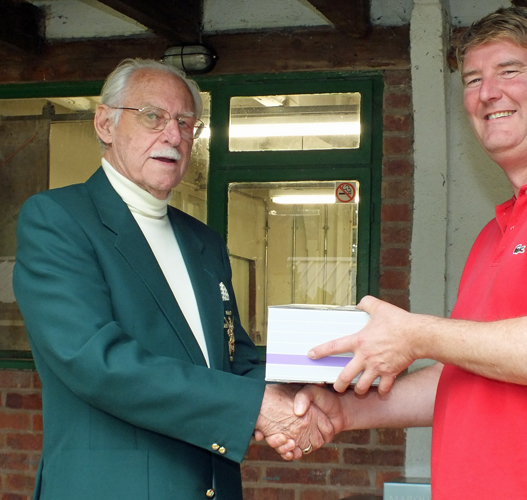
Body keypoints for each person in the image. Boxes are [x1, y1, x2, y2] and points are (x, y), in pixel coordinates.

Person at [284, 6, 527, 499]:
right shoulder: (495, 232)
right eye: (472, 79)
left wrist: (416, 334)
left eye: (510, 71)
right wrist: (345, 412)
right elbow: (467, 375)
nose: (487, 92)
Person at [12, 58, 330, 500]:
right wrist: (256, 407)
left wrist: (315, 388)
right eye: (152, 117)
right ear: (104, 123)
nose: (173, 135)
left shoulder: (203, 240)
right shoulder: (58, 219)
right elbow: (97, 363)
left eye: (185, 122)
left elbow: (233, 359)